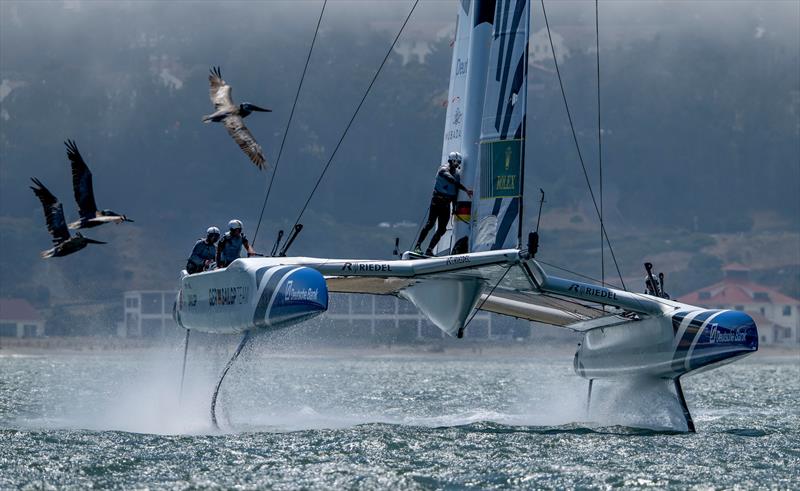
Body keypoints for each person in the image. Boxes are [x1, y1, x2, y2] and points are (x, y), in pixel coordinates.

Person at [414, 151, 473, 255]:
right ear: (450, 161)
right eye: (454, 162)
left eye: (458, 162)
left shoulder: (457, 175)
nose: (456, 164)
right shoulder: (443, 170)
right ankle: (417, 246)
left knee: (442, 230)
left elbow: (455, 193)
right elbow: (451, 180)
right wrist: (466, 190)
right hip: (436, 202)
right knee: (430, 224)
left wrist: (454, 208)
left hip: (446, 205)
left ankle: (429, 250)